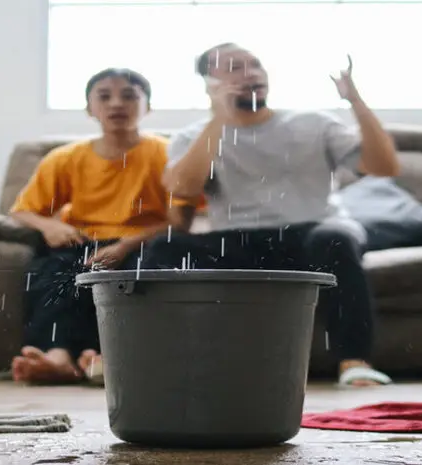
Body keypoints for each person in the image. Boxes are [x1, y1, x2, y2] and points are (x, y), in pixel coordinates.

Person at [146, 43, 401, 387]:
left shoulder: (313, 123)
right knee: (163, 249)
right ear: (209, 83)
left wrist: (354, 100)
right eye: (235, 67)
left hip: (316, 231)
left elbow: (383, 167)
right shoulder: (193, 136)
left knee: (335, 238)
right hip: (240, 241)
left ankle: (354, 362)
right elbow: (184, 188)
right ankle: (166, 363)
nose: (250, 73)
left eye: (255, 65)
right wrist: (220, 117)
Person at [8, 68, 203, 385]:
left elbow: (179, 220)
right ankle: (58, 357)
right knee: (53, 274)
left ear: (147, 107)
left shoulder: (167, 154)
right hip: (83, 243)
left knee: (142, 278)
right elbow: (22, 211)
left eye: (129, 95)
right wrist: (48, 225)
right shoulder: (66, 158)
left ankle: (111, 357)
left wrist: (123, 247)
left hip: (143, 244)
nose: (116, 104)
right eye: (104, 96)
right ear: (89, 108)